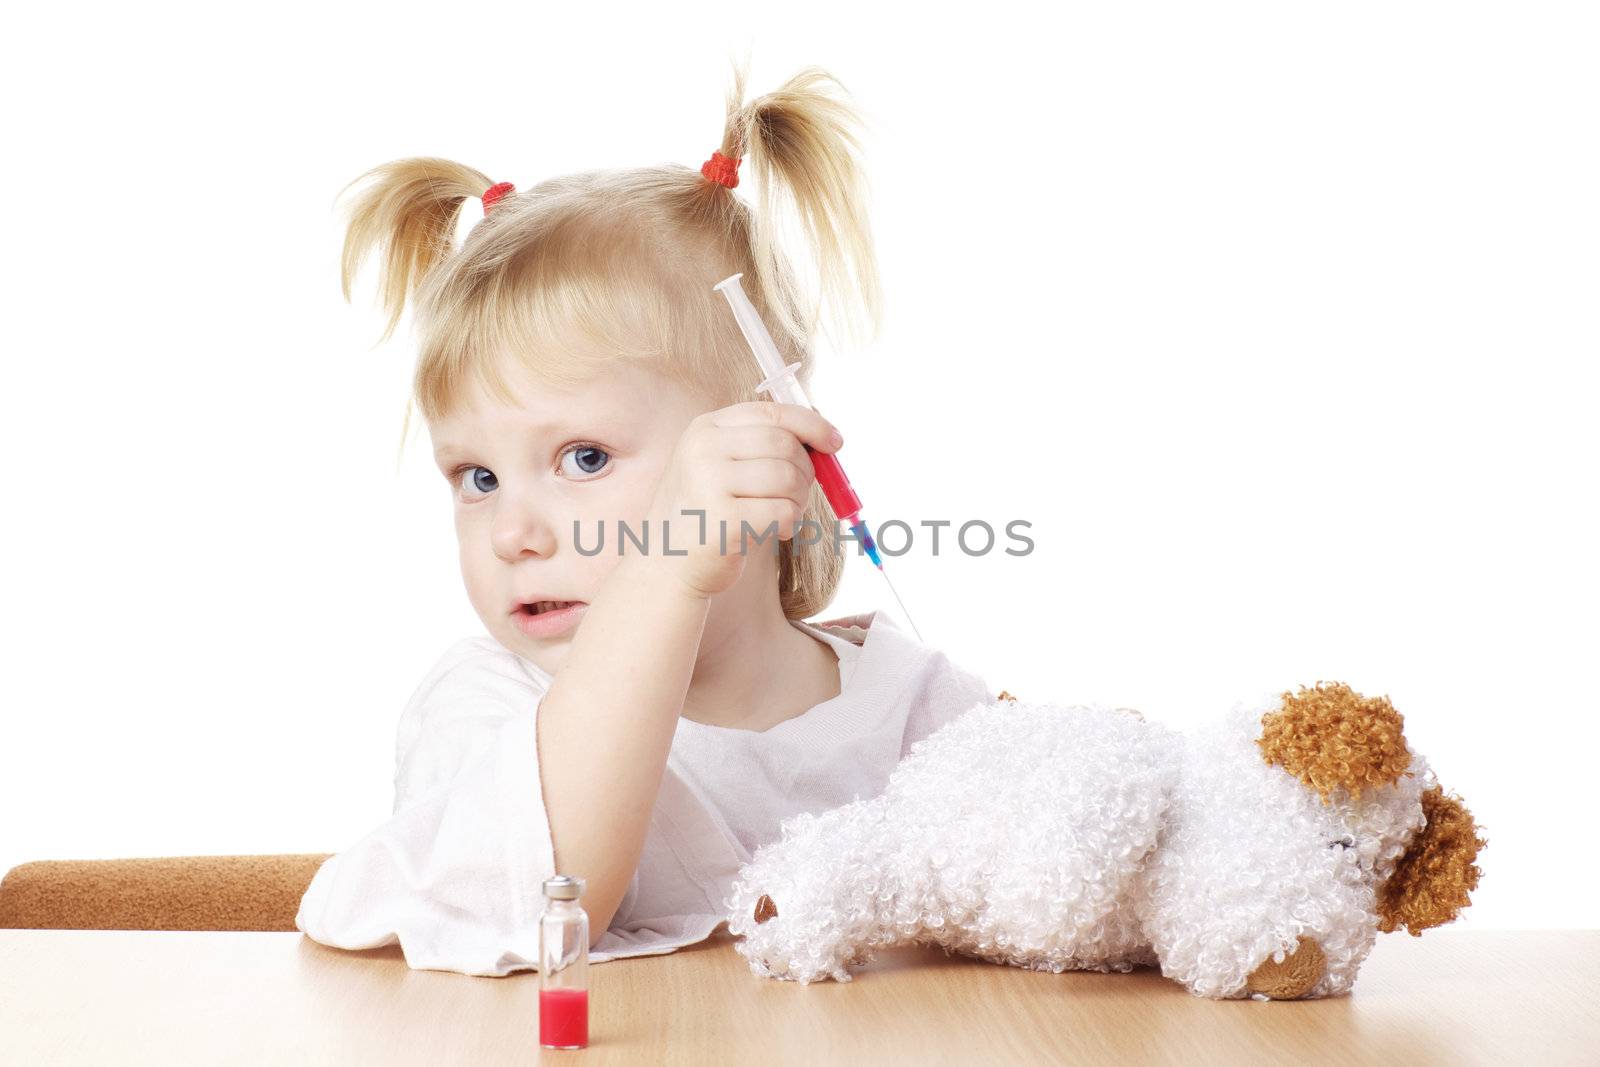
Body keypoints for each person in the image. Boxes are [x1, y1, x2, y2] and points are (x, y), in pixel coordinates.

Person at [294, 62, 997, 977]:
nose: (514, 533)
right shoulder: (489, 710)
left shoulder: (915, 706)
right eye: (476, 477)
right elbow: (555, 894)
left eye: (583, 458)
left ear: (766, 438)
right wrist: (663, 573)